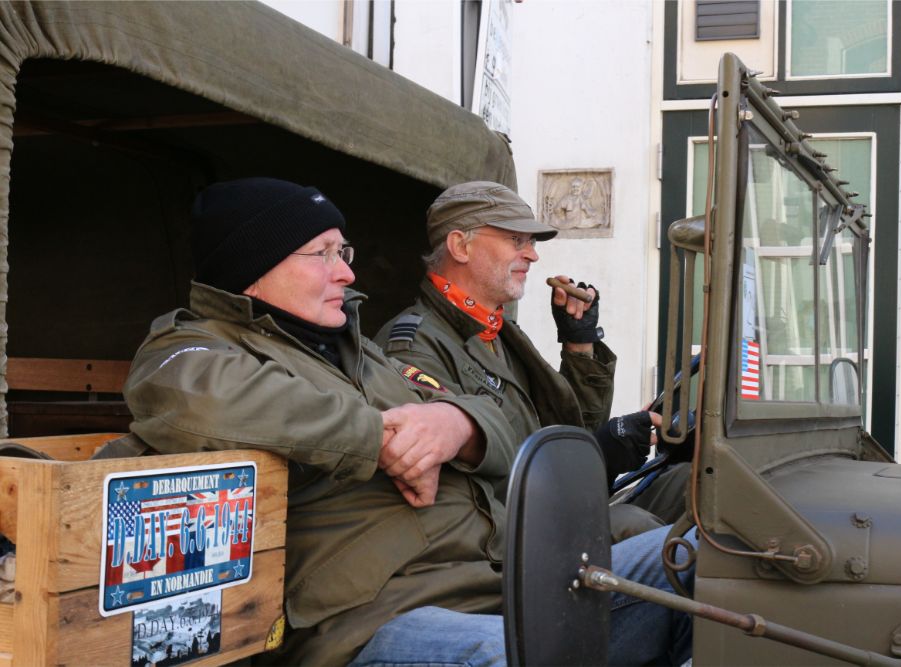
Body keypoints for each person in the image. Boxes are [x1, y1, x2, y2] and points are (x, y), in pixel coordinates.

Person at [122, 177, 691, 666]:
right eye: (321, 254)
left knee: (710, 555)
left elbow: (497, 418)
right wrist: (383, 440)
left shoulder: (354, 350)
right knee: (535, 657)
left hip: (497, 577)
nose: (346, 274)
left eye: (342, 253)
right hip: (378, 617)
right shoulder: (188, 351)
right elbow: (208, 402)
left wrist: (453, 427)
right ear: (253, 270)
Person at [376, 181, 690, 525]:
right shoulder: (414, 345)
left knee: (693, 484)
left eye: (530, 242)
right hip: (503, 539)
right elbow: (458, 480)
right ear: (460, 247)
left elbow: (572, 429)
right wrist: (594, 454)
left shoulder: (500, 334)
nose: (532, 254)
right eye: (516, 240)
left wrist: (579, 345)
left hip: (549, 510)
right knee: (634, 525)